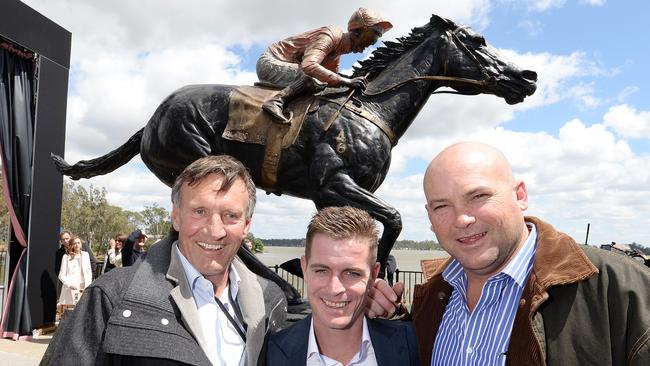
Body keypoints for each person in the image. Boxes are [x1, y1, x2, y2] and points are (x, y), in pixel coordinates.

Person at [367, 142, 650, 365]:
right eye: (442, 206)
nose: (462, 219)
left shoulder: (618, 289)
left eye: (478, 196)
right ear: (430, 217)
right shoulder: (431, 297)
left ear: (520, 196)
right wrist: (390, 321)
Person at [41, 155, 287, 365]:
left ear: (246, 225)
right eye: (199, 212)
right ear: (176, 217)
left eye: (230, 215)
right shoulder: (111, 297)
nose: (215, 230)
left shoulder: (270, 300)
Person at [266, 206, 418, 366]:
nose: (334, 288)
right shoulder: (270, 354)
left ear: (373, 275)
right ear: (304, 268)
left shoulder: (412, 345)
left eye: (352, 273)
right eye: (322, 270)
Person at [256, 7, 392, 123]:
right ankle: (276, 102)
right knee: (310, 79)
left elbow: (330, 80)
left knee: (322, 83)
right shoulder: (330, 35)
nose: (374, 42)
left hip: (290, 67)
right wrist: (347, 81)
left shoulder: (336, 55)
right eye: (374, 33)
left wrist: (349, 82)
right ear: (359, 31)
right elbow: (309, 66)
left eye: (378, 36)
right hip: (271, 62)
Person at [57, 236, 93, 310]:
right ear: (71, 245)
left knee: (82, 310)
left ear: (81, 244)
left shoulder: (86, 255)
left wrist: (88, 285)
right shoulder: (66, 257)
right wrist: (69, 285)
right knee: (70, 312)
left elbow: (89, 271)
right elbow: (61, 275)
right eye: (74, 243)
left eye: (78, 243)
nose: (77, 245)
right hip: (71, 288)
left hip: (83, 287)